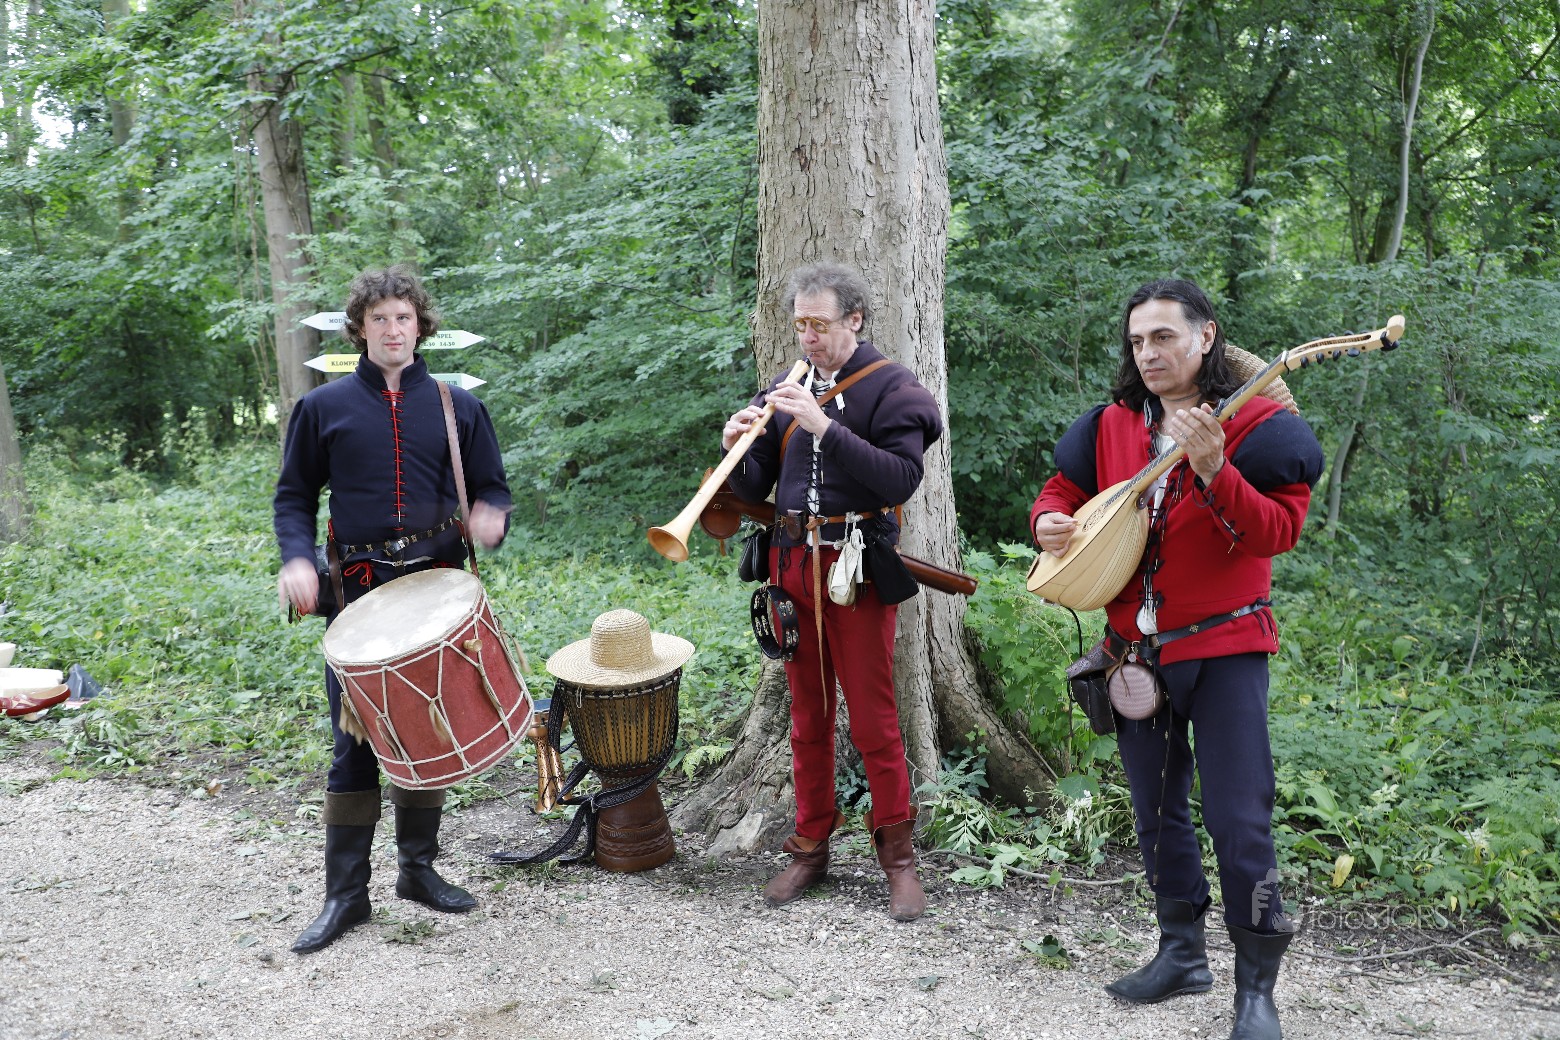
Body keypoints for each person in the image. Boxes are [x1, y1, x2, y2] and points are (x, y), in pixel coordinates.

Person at [1031, 279, 1323, 1040]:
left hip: (1225, 651)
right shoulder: (1113, 424)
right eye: (1137, 341)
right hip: (1134, 655)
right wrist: (1050, 520)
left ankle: (1256, 991)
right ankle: (1181, 954)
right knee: (1156, 813)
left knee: (1240, 821)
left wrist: (1215, 469)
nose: (1148, 353)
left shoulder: (1260, 426)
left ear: (1206, 336)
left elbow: (1276, 534)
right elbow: (1061, 490)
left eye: (1163, 336)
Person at [274, 265, 511, 954]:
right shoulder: (323, 408)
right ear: (359, 329)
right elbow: (293, 497)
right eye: (379, 319)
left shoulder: (456, 406)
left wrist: (491, 515)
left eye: (403, 317)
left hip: (435, 592)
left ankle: (417, 871)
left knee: (426, 736)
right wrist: (296, 558)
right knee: (352, 747)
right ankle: (345, 896)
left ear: (420, 326)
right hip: (359, 594)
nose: (392, 330)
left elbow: (493, 487)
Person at [721, 261, 943, 922]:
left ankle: (898, 861)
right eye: (800, 326)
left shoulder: (892, 389)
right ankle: (810, 847)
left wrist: (823, 425)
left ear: (855, 319)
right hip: (791, 566)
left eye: (819, 324)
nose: (808, 337)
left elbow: (899, 479)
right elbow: (754, 486)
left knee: (873, 720)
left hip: (856, 570)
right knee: (807, 717)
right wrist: (736, 447)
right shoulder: (783, 388)